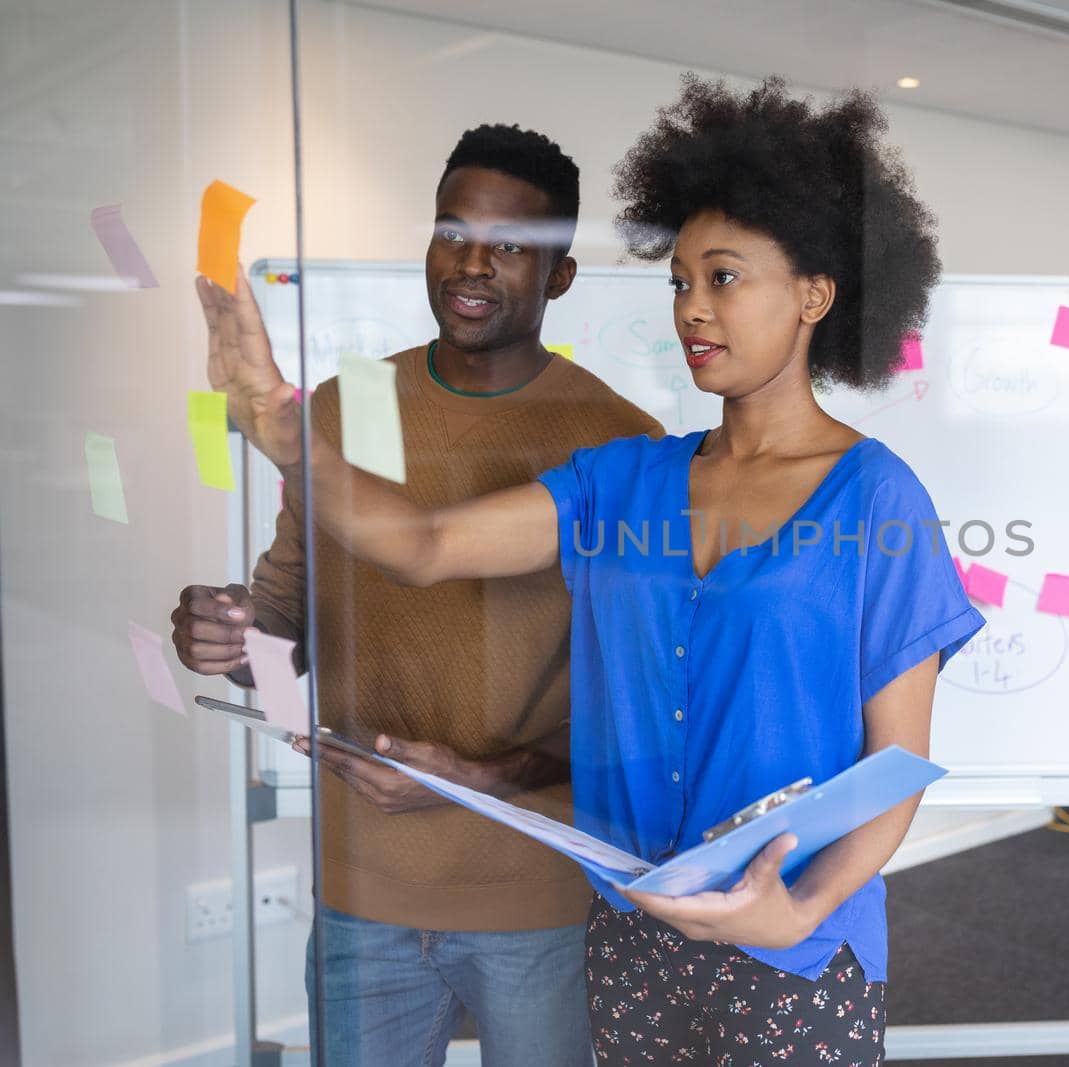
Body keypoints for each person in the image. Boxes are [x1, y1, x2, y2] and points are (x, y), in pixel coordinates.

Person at [197, 76, 983, 1066]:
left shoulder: (877, 497)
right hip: (632, 935)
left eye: (725, 278)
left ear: (815, 295)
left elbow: (895, 764)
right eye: (681, 280)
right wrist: (279, 421)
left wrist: (801, 907)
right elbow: (425, 544)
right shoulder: (625, 477)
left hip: (796, 946)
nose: (693, 308)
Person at [172, 124, 660, 1066]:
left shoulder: (619, 444)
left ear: (560, 276)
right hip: (363, 896)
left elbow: (636, 710)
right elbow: (290, 613)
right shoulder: (344, 406)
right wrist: (235, 635)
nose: (471, 263)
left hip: (537, 899)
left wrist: (485, 777)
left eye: (512, 244)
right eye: (452, 231)